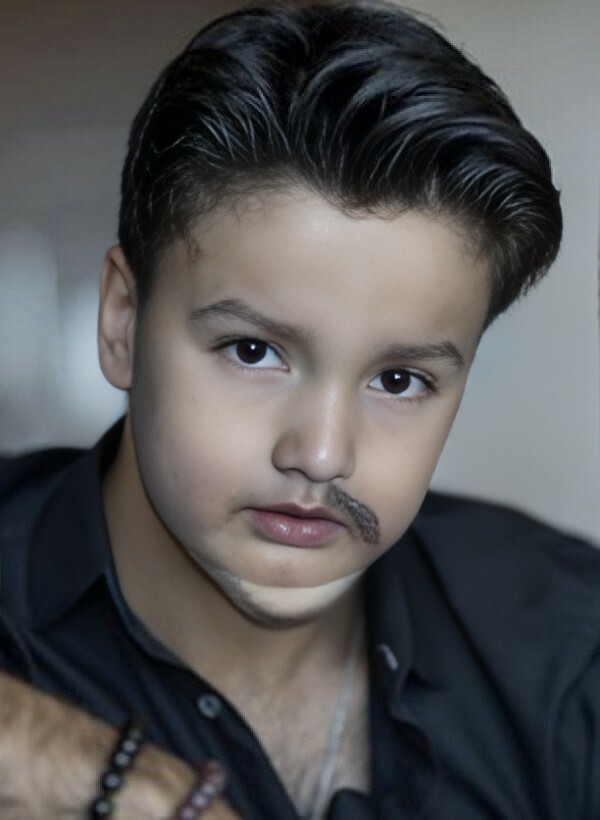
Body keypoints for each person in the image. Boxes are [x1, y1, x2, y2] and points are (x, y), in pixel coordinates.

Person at [1, 2, 598, 818]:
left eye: (399, 380)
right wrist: (114, 782)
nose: (321, 455)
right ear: (122, 324)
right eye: (254, 351)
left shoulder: (570, 646)